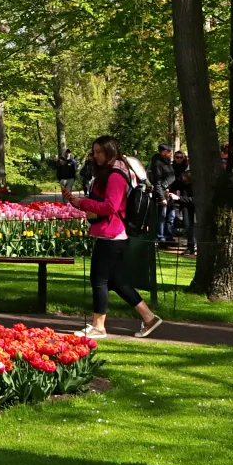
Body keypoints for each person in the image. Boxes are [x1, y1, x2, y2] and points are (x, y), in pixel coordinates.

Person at [61, 136, 163, 339]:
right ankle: (149, 317)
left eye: (99, 152)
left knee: (99, 279)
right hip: (112, 233)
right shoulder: (109, 172)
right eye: (94, 151)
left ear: (109, 151)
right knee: (116, 281)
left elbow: (111, 207)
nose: (95, 156)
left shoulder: (115, 174)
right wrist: (76, 201)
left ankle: (99, 326)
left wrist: (84, 204)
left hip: (112, 234)